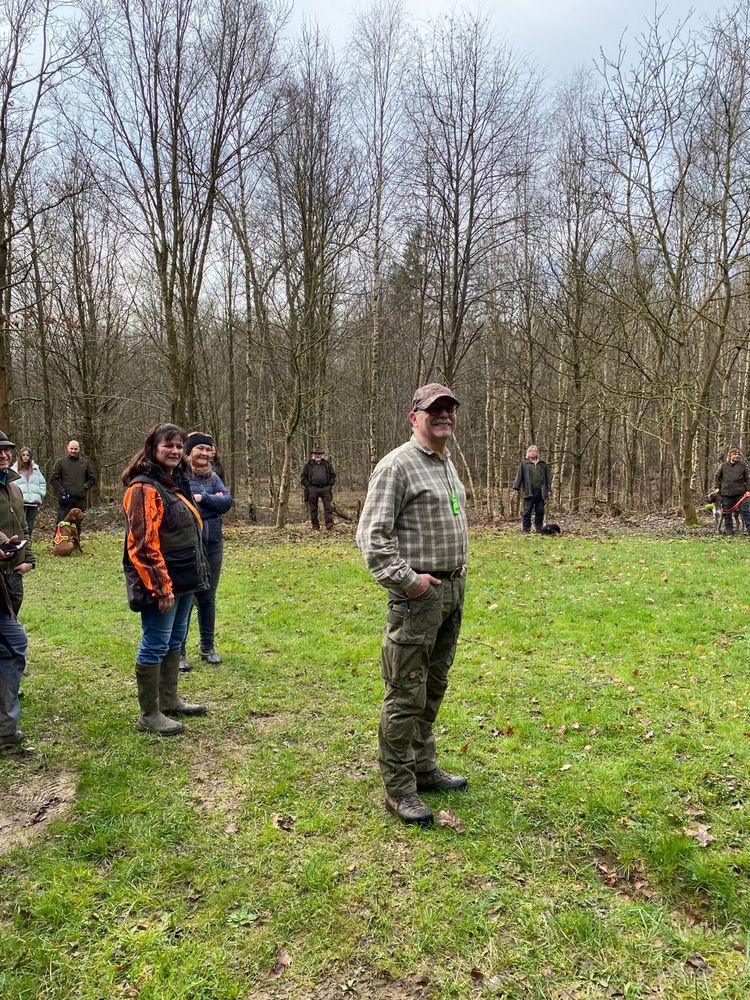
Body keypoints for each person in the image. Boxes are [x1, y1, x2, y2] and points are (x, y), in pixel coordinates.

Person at [357, 383, 469, 826]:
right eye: (433, 410)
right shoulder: (397, 466)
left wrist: (454, 572)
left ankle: (423, 767)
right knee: (405, 692)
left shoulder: (445, 462)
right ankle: (399, 787)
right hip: (417, 599)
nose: (443, 415)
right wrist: (411, 583)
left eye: (449, 409)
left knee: (433, 686)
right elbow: (372, 539)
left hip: (451, 591)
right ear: (413, 416)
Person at [122, 423, 209, 735]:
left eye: (178, 446)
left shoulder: (173, 481)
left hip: (184, 578)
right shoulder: (143, 488)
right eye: (167, 445)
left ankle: (169, 700)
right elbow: (143, 544)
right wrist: (160, 587)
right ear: (153, 448)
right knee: (156, 643)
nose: (174, 451)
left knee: (174, 640)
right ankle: (149, 714)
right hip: (162, 582)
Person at [179, 432, 233, 670]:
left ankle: (207, 648)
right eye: (199, 448)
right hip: (189, 544)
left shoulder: (213, 477)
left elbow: (227, 502)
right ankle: (178, 652)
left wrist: (203, 498)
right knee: (186, 597)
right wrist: (213, 501)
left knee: (208, 597)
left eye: (208, 449)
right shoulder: (180, 476)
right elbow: (185, 506)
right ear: (189, 452)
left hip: (213, 543)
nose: (204, 453)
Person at [0, 432, 34, 614]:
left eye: (6, 450)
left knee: (12, 616)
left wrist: (29, 560)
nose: (3, 455)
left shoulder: (15, 489)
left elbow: (24, 527)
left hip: (15, 571)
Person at [50, 440, 96, 529]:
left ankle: (76, 538)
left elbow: (92, 479)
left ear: (79, 449)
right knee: (62, 524)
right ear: (67, 448)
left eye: (75, 449)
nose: (73, 451)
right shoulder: (60, 462)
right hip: (65, 499)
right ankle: (59, 538)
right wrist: (61, 490)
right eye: (71, 448)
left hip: (80, 499)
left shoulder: (85, 463)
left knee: (77, 526)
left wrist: (84, 487)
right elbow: (53, 479)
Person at [513, 444, 552, 534]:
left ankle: (539, 528)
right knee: (527, 511)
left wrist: (549, 489)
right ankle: (526, 529)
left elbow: (548, 477)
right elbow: (519, 475)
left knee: (540, 511)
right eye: (531, 451)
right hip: (529, 491)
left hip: (541, 492)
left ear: (537, 453)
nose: (533, 452)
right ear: (528, 453)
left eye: (534, 451)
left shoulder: (542, 464)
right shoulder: (524, 463)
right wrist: (516, 487)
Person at [713, 446, 750, 536]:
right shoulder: (723, 466)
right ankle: (729, 531)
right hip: (726, 493)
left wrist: (748, 490)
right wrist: (717, 487)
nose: (737, 456)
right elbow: (717, 477)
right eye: (735, 454)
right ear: (730, 456)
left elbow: (748, 479)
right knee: (727, 513)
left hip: (741, 494)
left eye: (738, 454)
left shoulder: (743, 466)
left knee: (745, 511)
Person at [12, 446, 47, 538]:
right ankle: (20, 542)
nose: (25, 457)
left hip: (33, 502)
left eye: (27, 455)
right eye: (23, 455)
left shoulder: (35, 469)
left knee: (30, 525)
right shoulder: (14, 469)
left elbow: (42, 482)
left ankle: (28, 542)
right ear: (20, 456)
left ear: (30, 456)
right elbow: (11, 485)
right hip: (20, 502)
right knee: (20, 525)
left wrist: (41, 494)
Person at [301, 446, 336, 531]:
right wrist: (309, 487)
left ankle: (330, 526)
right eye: (316, 454)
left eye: (319, 454)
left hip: (325, 489)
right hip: (313, 489)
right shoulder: (308, 465)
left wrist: (330, 485)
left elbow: (333, 475)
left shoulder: (327, 464)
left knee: (328, 508)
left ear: (322, 455)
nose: (317, 455)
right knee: (313, 509)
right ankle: (315, 527)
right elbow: (303, 477)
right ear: (313, 455)